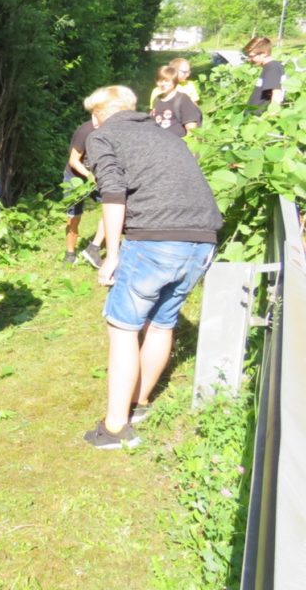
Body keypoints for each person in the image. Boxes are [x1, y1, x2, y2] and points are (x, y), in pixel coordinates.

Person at [82, 85, 221, 449]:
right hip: (203, 237)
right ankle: (139, 402)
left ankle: (115, 428)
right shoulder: (166, 134)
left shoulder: (104, 135)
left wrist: (112, 254)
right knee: (162, 323)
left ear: (98, 116)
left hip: (156, 238)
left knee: (123, 327)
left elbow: (113, 194)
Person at [63, 118, 106, 268]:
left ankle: (94, 248)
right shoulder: (85, 131)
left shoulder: (112, 129)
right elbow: (73, 160)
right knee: (73, 216)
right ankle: (69, 253)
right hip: (75, 176)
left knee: (113, 208)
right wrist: (89, 176)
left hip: (98, 176)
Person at [150, 65, 202, 138]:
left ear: (174, 81)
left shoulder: (183, 99)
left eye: (167, 81)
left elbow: (192, 129)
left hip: (179, 144)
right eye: (160, 81)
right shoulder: (156, 99)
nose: (163, 84)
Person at [243, 36, 287, 109]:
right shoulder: (269, 67)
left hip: (259, 118)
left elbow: (276, 94)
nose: (249, 59)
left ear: (264, 53)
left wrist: (272, 115)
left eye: (251, 56)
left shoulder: (272, 67)